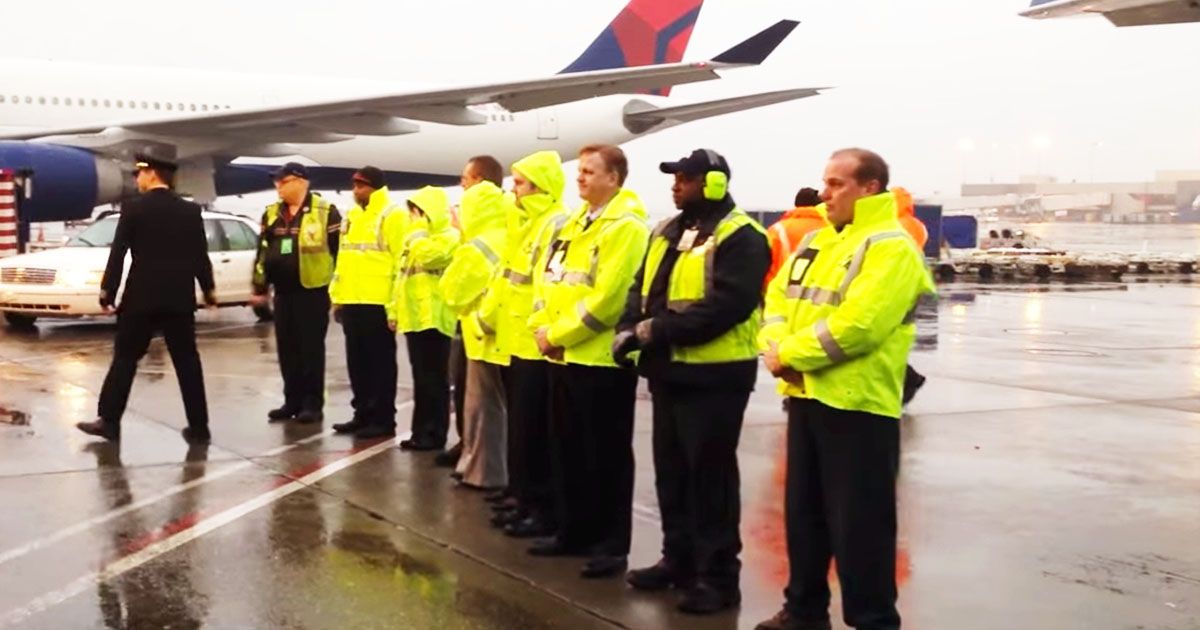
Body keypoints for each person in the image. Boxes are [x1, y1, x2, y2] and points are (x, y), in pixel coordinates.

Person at [756, 148, 935, 630]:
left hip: (858, 405)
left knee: (862, 528)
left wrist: (789, 355)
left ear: (870, 187)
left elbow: (859, 327)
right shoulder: (817, 241)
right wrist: (775, 347)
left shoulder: (891, 247)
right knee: (805, 517)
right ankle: (804, 609)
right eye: (824, 182)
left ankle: (873, 620)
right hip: (807, 396)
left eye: (836, 183)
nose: (823, 192)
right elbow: (776, 300)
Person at [614, 148, 770, 614]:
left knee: (710, 481)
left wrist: (655, 331)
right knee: (672, 475)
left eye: (685, 178)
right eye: (675, 177)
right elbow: (640, 289)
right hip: (669, 371)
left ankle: (719, 579)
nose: (675, 185)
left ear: (715, 184)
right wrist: (629, 328)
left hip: (716, 376)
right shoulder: (667, 230)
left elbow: (727, 305)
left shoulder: (742, 235)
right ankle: (678, 561)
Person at [528, 144, 649, 580]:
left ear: (613, 178)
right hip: (563, 356)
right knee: (569, 450)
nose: (579, 178)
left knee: (607, 457)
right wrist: (543, 329)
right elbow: (549, 281)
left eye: (589, 172)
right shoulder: (577, 223)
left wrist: (557, 335)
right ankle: (572, 530)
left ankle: (611, 545)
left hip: (599, 361)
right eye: (578, 171)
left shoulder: (627, 228)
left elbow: (609, 300)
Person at [77, 155, 216, 445]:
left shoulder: (134, 209)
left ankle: (109, 421)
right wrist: (209, 289)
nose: (136, 180)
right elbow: (199, 256)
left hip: (141, 299)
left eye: (139, 174)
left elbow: (119, 253)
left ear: (152, 174)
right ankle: (199, 427)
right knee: (188, 362)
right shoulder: (190, 212)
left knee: (125, 360)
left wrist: (107, 291)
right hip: (179, 300)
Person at [478, 150, 568, 538]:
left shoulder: (552, 223)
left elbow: (546, 284)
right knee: (520, 427)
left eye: (521, 183)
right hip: (516, 339)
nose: (513, 190)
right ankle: (521, 495)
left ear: (540, 186)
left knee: (535, 432)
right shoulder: (526, 223)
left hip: (535, 342)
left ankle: (536, 504)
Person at [250, 162, 341, 424]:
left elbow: (339, 254)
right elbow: (262, 252)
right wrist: (260, 287)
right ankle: (292, 401)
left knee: (310, 349)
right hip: (284, 291)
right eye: (276, 182)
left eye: (284, 181)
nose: (278, 186)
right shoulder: (271, 214)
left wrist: (337, 291)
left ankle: (312, 404)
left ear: (301, 182)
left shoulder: (325, 212)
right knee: (287, 349)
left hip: (312, 290)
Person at [439, 156, 510, 489]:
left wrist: (460, 240)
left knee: (480, 407)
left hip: (481, 333)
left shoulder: (476, 245)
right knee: (492, 408)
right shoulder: (507, 231)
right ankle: (479, 464)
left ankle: (482, 471)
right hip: (499, 334)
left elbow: (451, 291)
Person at [329, 167, 407, 440]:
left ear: (374, 188)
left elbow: (401, 262)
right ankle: (361, 413)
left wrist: (394, 306)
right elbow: (343, 258)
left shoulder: (392, 214)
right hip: (352, 300)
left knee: (381, 365)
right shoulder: (352, 215)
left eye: (361, 186)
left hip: (377, 302)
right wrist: (337, 297)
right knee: (357, 363)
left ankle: (384, 419)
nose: (356, 191)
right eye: (354, 186)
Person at [393, 186, 460, 450]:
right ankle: (421, 431)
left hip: (435, 318)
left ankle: (435, 434)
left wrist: (418, 232)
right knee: (421, 380)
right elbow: (402, 277)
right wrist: (394, 311)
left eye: (415, 213)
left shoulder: (448, 237)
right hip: (415, 318)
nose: (411, 218)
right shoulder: (416, 239)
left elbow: (429, 258)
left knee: (435, 380)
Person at [891, 186, 930, 405]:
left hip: (896, 285)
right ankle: (908, 378)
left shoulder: (894, 225)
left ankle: (909, 378)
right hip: (911, 286)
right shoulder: (917, 225)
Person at [765, 187, 825, 285]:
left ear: (796, 204)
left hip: (779, 293)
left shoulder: (777, 230)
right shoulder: (832, 229)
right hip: (819, 293)